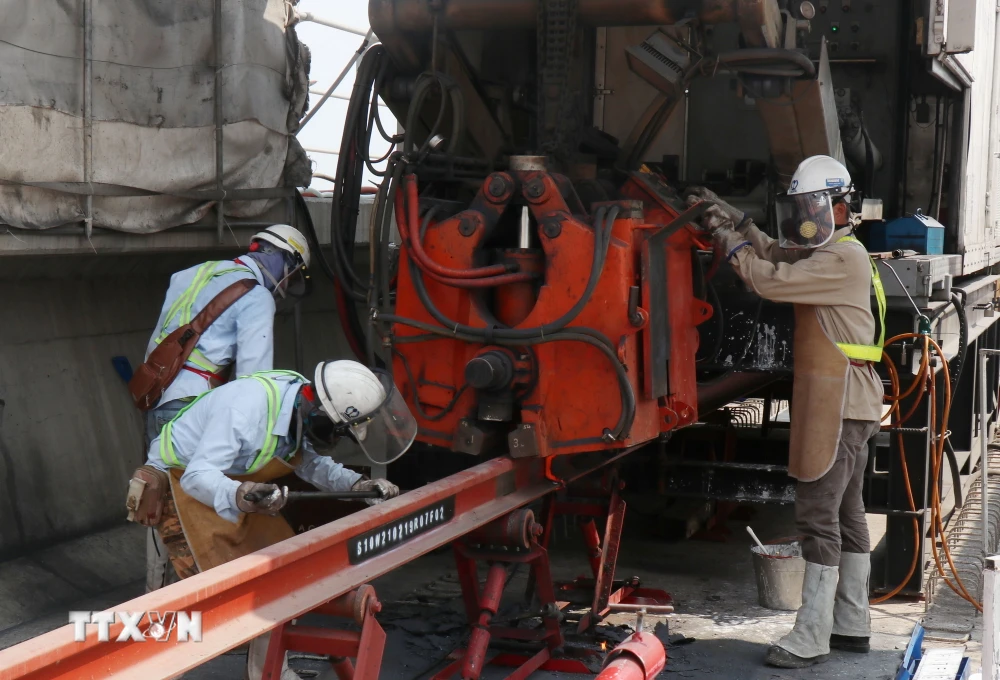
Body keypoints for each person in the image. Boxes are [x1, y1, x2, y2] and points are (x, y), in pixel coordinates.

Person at [688, 155, 886, 669]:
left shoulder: (839, 260)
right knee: (847, 515)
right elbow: (780, 252)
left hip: (837, 404)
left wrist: (727, 240)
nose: (807, 218)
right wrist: (737, 219)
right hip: (854, 402)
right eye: (802, 208)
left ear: (840, 207)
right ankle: (852, 623)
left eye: (814, 207)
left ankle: (810, 636)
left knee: (817, 517)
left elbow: (768, 278)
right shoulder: (839, 253)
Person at [133, 361, 415, 680]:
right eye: (337, 433)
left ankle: (268, 672)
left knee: (279, 579)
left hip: (230, 482)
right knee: (193, 600)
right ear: (321, 415)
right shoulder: (245, 412)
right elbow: (197, 475)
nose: (336, 440)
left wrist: (358, 486)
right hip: (180, 483)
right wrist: (243, 493)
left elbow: (311, 464)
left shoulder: (301, 407)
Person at [142, 224, 312, 591]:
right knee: (210, 517)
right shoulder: (257, 297)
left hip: (158, 400)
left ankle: (155, 599)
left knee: (161, 501)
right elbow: (256, 384)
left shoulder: (188, 275)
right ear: (286, 261)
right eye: (291, 273)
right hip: (197, 405)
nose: (285, 284)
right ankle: (227, 606)